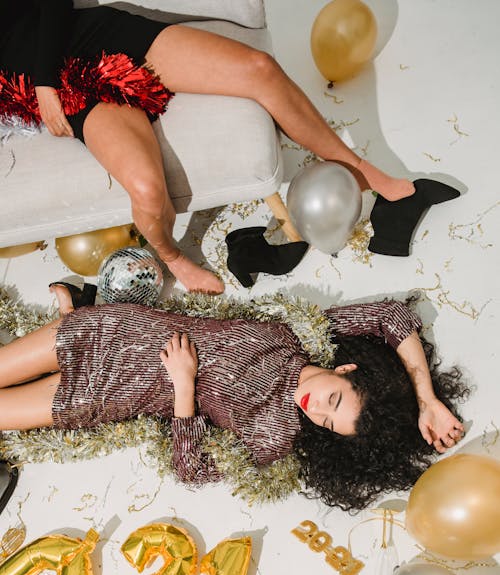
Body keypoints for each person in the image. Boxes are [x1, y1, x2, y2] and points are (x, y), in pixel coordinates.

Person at [0, 0, 419, 294]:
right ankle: (172, 256)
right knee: (146, 190)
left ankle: (358, 168)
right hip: (74, 96)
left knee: (260, 68)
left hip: (85, 42)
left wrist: (43, 81)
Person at [0, 285, 467, 511]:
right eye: (334, 400)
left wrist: (184, 387)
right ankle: (75, 311)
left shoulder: (277, 433)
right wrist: (425, 398)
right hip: (114, 329)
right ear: (346, 369)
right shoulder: (302, 334)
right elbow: (391, 315)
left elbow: (192, 468)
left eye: (326, 423)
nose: (316, 409)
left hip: (105, 394)